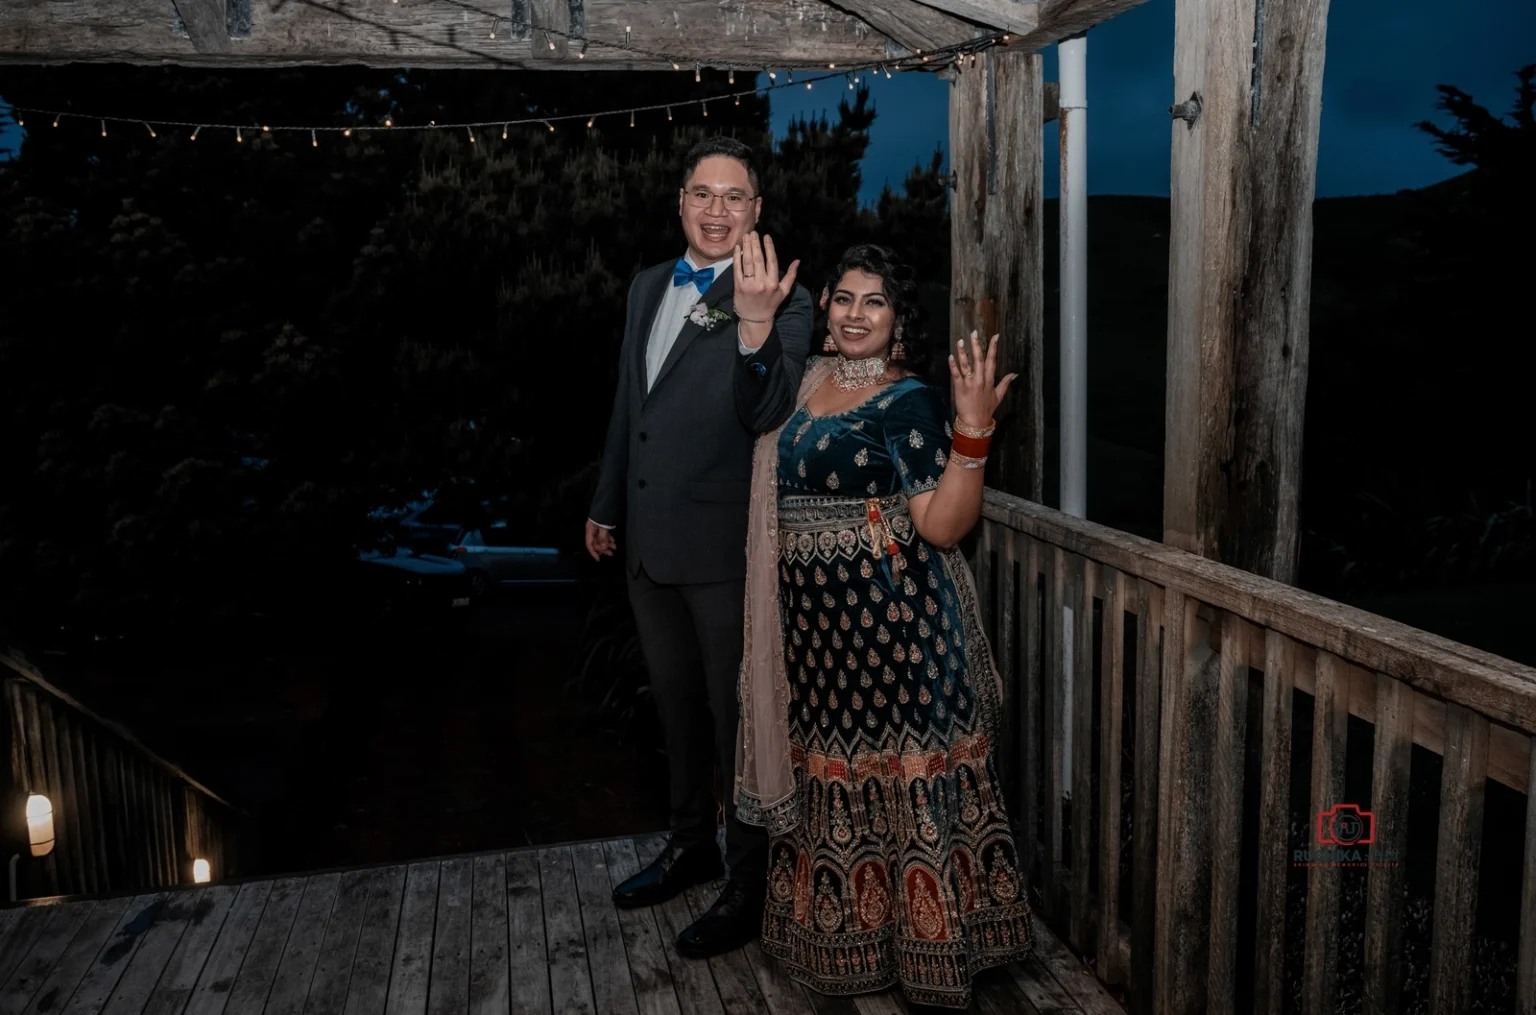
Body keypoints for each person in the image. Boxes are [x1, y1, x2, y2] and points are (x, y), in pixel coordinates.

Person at [733, 244, 1034, 1007]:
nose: (855, 313)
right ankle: (840, 935)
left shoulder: (909, 399)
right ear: (826, 311)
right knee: (832, 770)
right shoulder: (808, 384)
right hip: (819, 643)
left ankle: (932, 946)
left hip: (896, 637)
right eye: (843, 299)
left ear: (898, 322)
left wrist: (972, 433)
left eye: (875, 301)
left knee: (899, 776)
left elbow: (940, 525)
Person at [585, 136, 815, 958]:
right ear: (680, 201)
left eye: (736, 197)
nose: (718, 210)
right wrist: (606, 503)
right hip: (648, 545)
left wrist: (753, 326)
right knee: (676, 712)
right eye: (703, 193)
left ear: (757, 211)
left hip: (727, 555)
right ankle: (690, 848)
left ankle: (748, 887)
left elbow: (769, 409)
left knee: (737, 725)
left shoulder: (782, 295)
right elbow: (630, 406)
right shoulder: (649, 286)